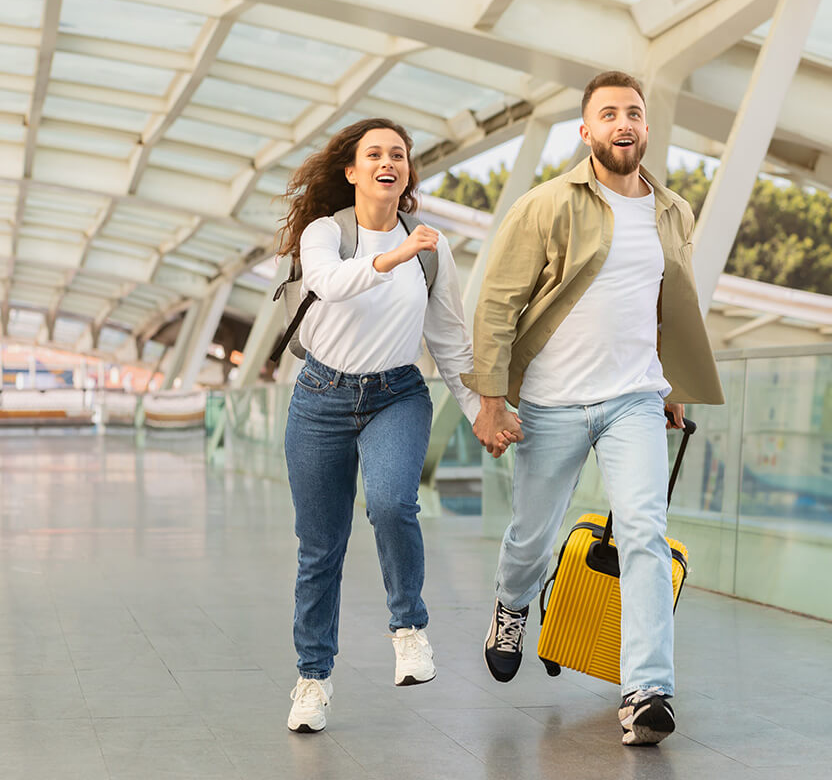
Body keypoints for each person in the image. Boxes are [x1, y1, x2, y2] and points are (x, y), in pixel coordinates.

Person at [465, 71, 724, 746]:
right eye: (608, 113)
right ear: (586, 131)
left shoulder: (672, 212)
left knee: (644, 532)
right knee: (531, 534)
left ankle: (646, 689)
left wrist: (671, 388)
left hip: (634, 399)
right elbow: (496, 304)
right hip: (550, 403)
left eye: (634, 112)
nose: (624, 122)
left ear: (646, 128)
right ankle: (510, 605)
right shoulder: (546, 205)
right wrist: (492, 401)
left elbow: (667, 308)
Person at [275, 118, 509, 733]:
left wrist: (480, 410)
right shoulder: (326, 234)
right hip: (320, 396)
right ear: (352, 171)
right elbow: (328, 284)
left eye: (398, 155)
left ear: (406, 173)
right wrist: (394, 255)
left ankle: (409, 629)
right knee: (320, 550)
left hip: (396, 394)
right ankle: (312, 680)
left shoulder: (431, 247)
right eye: (373, 153)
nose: (388, 161)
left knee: (390, 503)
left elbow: (450, 341)